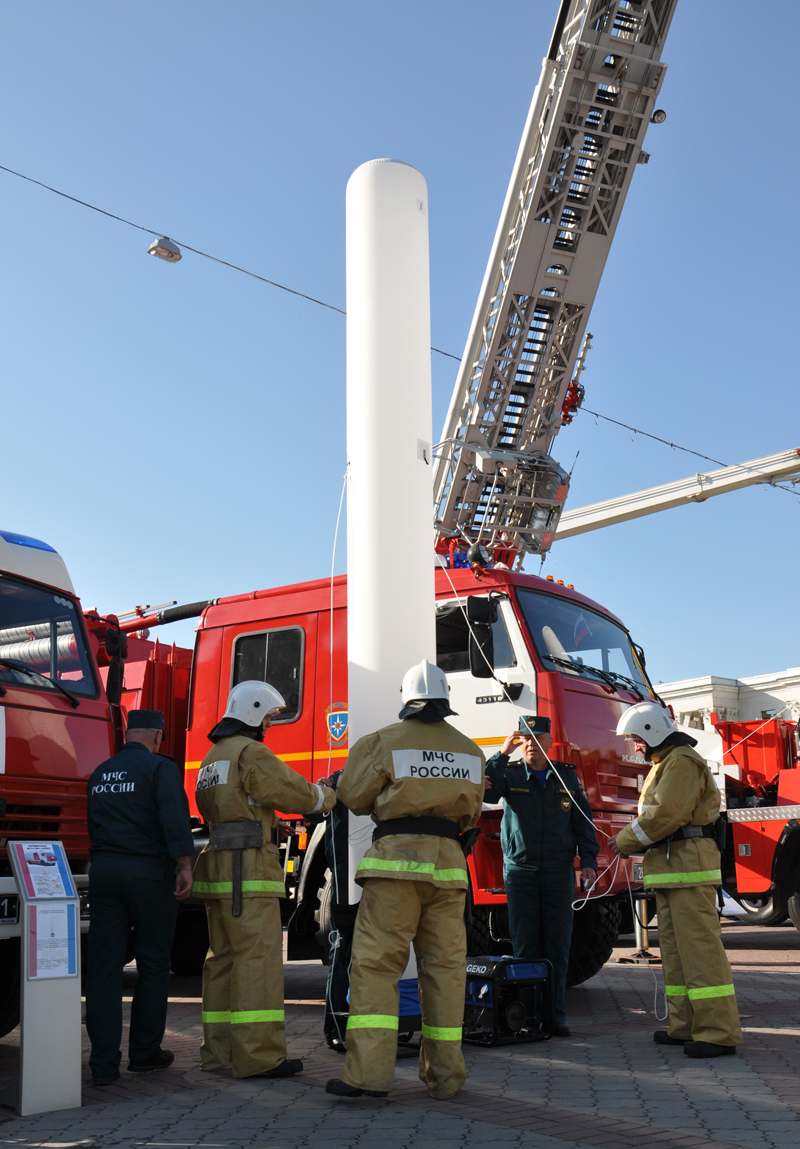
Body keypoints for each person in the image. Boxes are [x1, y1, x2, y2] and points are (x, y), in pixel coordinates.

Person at [325, 659, 485, 1101]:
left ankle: (368, 1076)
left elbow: (353, 797)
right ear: (446, 699)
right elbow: (471, 814)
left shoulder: (382, 742)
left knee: (377, 968)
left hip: (395, 868)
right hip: (449, 870)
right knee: (446, 972)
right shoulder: (470, 750)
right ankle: (445, 1078)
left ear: (406, 698)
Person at [193, 680, 336, 1079]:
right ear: (253, 712)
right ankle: (259, 1057)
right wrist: (328, 795)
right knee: (257, 964)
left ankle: (218, 1053)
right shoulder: (251, 753)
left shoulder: (212, 757)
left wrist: (269, 825)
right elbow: (293, 792)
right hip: (249, 874)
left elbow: (236, 807)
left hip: (219, 870)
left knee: (221, 963)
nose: (270, 725)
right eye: (269, 717)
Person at [609, 701, 742, 1058]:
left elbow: (666, 814)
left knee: (700, 953)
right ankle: (685, 1026)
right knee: (677, 954)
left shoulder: (681, 761)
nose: (636, 745)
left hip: (688, 871)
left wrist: (624, 841)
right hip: (673, 871)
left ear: (652, 731)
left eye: (637, 738)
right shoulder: (667, 762)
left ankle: (718, 1033)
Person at [85, 709, 195, 1087]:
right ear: (158, 736)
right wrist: (184, 864)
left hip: (103, 872)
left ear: (128, 734)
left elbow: (93, 825)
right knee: (152, 962)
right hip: (148, 873)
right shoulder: (160, 768)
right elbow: (174, 818)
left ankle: (102, 1064)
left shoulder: (101, 772)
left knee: (103, 968)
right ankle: (145, 1053)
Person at [484, 715, 598, 1037]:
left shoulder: (566, 777)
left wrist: (589, 861)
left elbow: (582, 822)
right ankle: (527, 1016)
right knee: (525, 945)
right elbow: (487, 792)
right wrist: (502, 753)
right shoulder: (510, 773)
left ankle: (554, 1016)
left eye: (537, 739)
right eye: (525, 739)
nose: (531, 744)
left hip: (558, 873)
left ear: (549, 741)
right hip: (521, 872)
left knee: (558, 944)